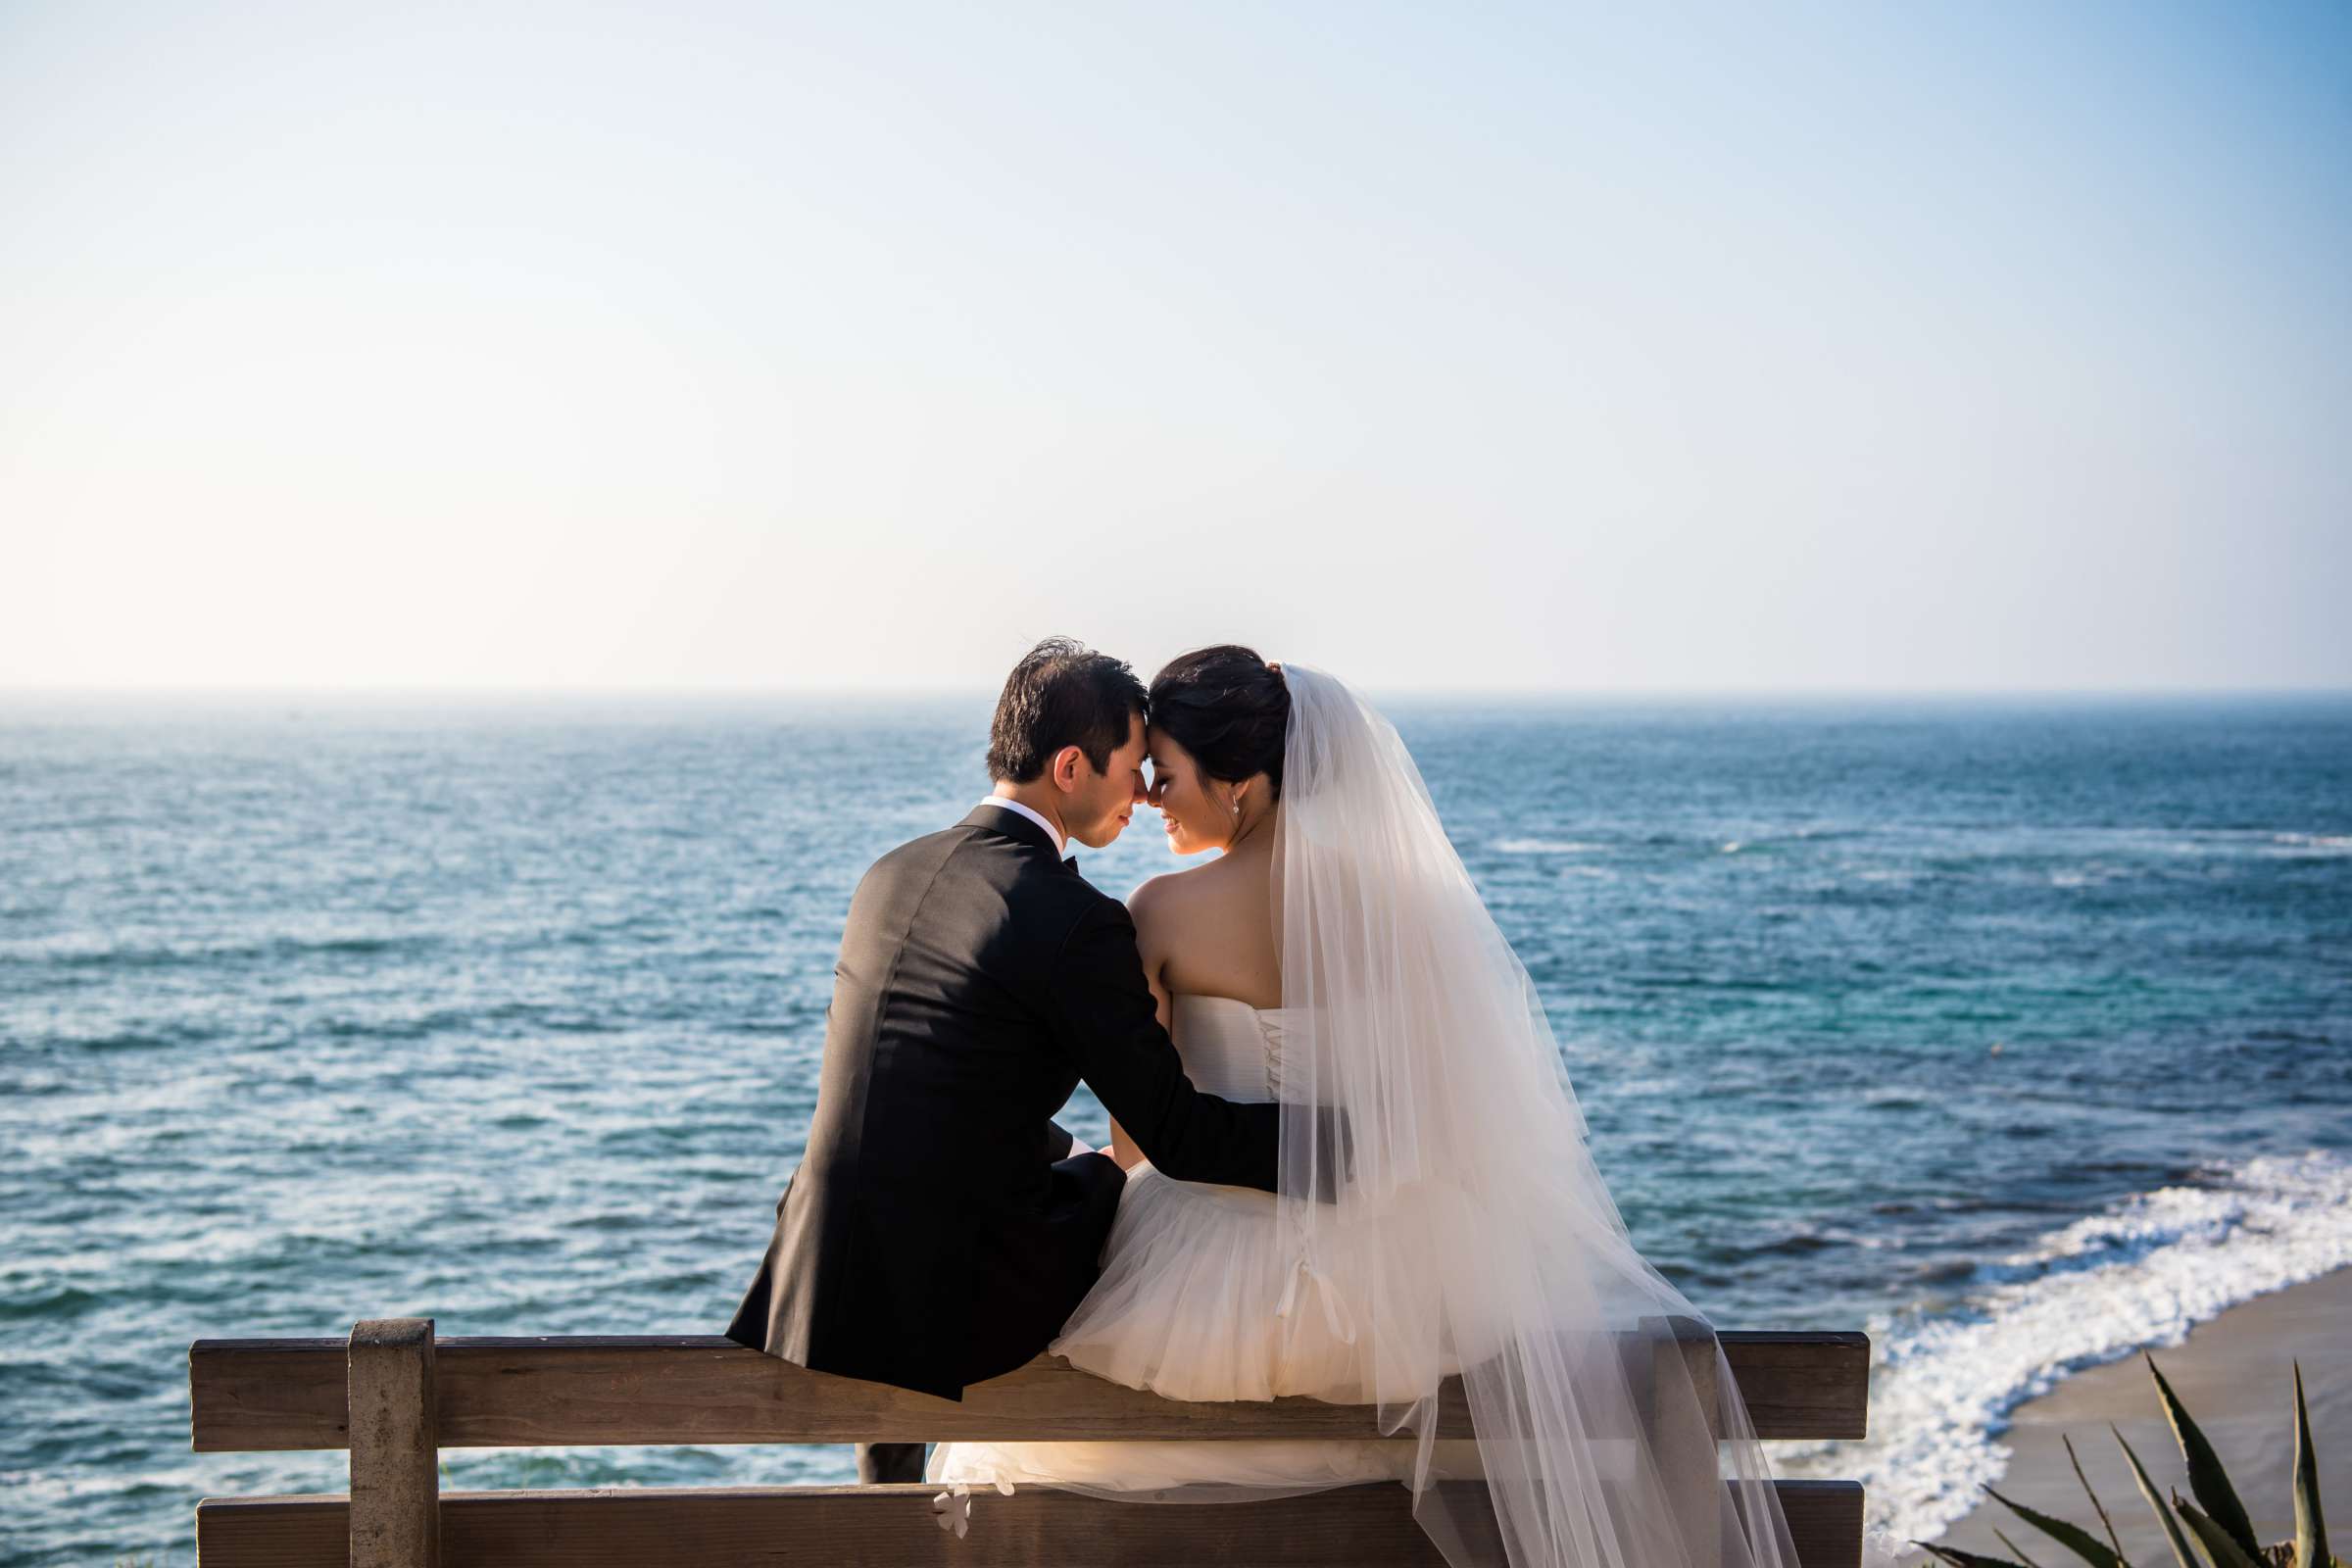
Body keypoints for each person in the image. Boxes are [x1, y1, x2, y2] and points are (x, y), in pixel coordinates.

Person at [930, 649, 1814, 1568]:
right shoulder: (1403, 909)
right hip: (1387, 1279)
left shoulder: (1158, 911)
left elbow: (1137, 1143)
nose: (1152, 798)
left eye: (1168, 776)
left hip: (1203, 1288)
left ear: (1237, 785)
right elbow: (1447, 1102)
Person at [724, 637, 1311, 1485]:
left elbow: (925, 1080)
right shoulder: (1074, 921)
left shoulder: (890, 873)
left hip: (824, 1261)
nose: (1143, 797)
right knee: (1127, 1186)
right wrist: (1338, 1146)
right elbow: (1178, 1137)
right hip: (959, 1282)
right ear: (1072, 766)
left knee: (1075, 1159)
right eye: (1134, 766)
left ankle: (888, 1505)